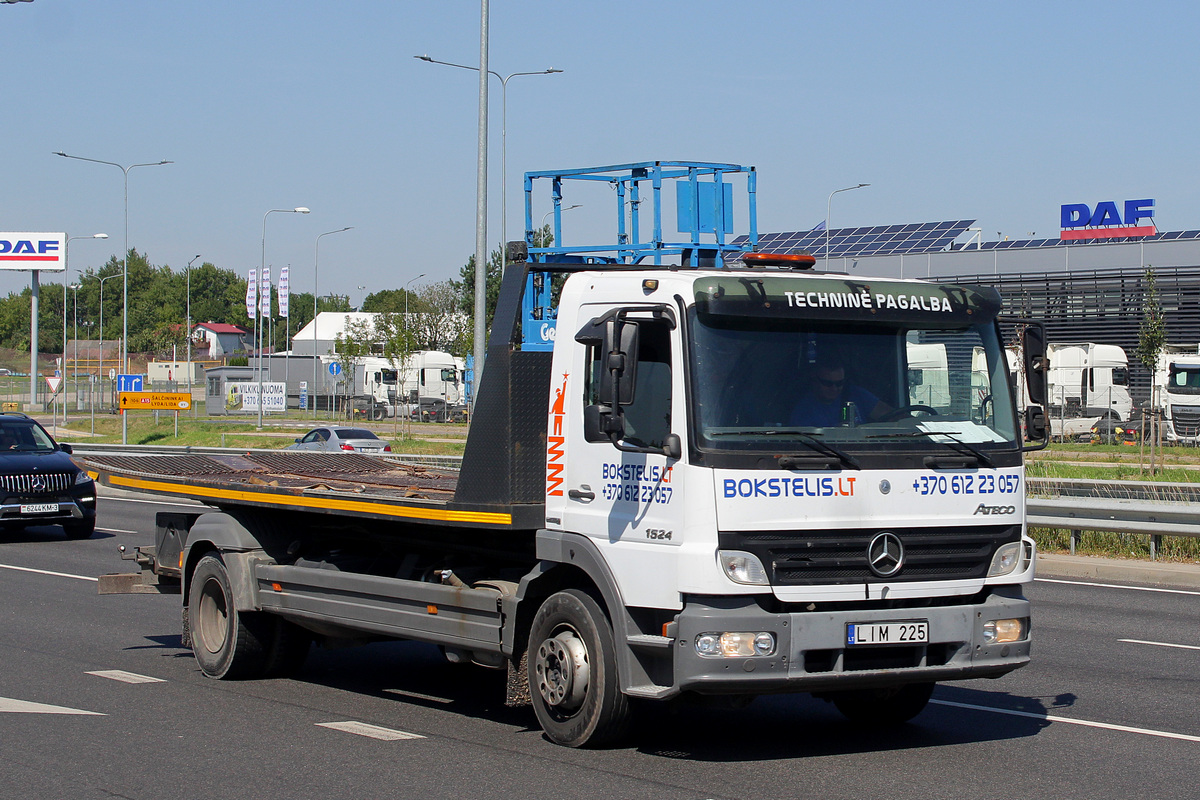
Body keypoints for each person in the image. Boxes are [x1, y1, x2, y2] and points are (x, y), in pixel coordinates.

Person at [789, 357, 890, 427]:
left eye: (839, 383)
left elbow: (892, 415)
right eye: (828, 383)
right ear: (814, 380)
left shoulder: (856, 394)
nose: (834, 388)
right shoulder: (803, 411)